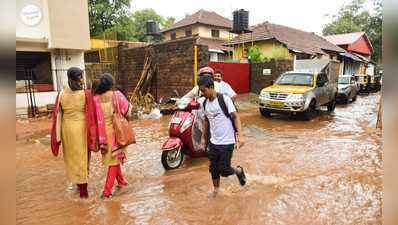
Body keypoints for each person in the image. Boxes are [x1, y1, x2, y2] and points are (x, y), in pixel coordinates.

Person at [51, 67, 97, 199]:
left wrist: (57, 137)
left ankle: (78, 186)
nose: (83, 79)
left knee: (72, 158)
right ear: (78, 78)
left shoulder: (61, 94)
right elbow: (93, 114)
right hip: (81, 129)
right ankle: (84, 193)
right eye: (82, 76)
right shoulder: (86, 94)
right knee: (83, 159)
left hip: (67, 130)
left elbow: (57, 115)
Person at [198, 75, 246, 197]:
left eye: (204, 90)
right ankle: (216, 190)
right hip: (214, 142)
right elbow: (206, 122)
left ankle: (238, 171)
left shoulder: (224, 100)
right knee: (213, 169)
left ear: (211, 87)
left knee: (224, 170)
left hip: (227, 141)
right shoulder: (204, 104)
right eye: (201, 91)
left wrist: (240, 136)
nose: (202, 93)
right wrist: (203, 139)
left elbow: (236, 117)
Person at [93, 73, 130, 199]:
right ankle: (106, 192)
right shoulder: (117, 95)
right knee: (114, 162)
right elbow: (127, 110)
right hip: (116, 133)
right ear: (111, 84)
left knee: (114, 158)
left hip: (102, 135)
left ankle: (121, 182)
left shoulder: (96, 98)